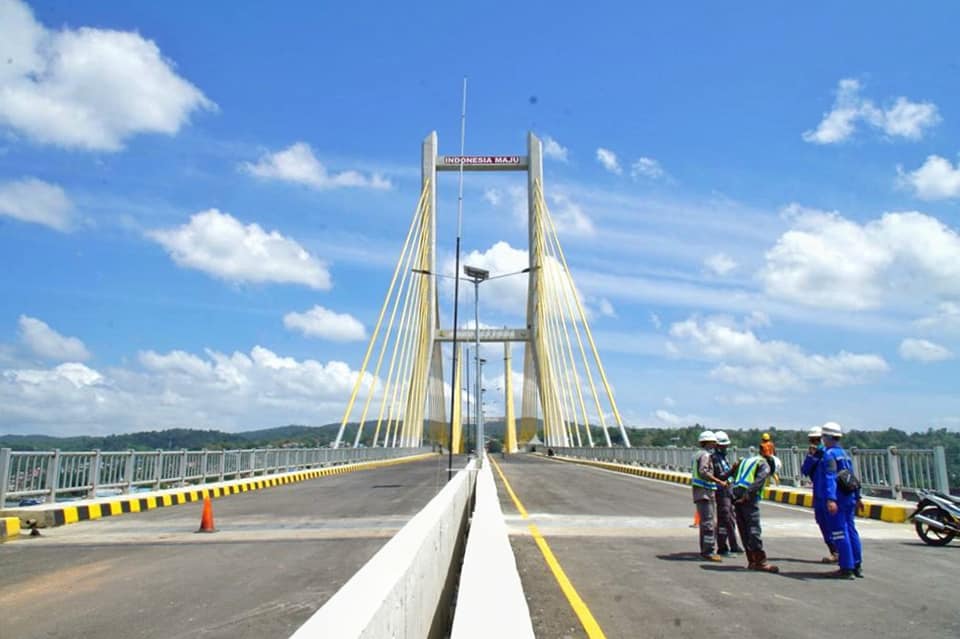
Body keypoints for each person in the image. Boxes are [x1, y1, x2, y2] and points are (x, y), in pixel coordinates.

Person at [812, 421, 863, 579]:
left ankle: (846, 568)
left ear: (827, 437)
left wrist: (831, 499)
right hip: (849, 497)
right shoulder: (844, 454)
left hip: (839, 499)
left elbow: (830, 478)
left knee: (840, 533)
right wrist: (858, 496)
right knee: (851, 530)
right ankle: (856, 565)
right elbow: (852, 477)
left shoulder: (829, 455)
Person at [731, 451, 779, 572]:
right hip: (747, 495)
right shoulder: (764, 464)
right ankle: (760, 561)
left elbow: (733, 476)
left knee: (743, 528)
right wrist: (747, 495)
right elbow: (759, 480)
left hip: (735, 492)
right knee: (753, 527)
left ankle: (751, 560)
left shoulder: (747, 460)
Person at [801, 425, 838, 563]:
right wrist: (811, 457)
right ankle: (833, 550)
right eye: (812, 440)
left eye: (816, 439)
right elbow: (805, 470)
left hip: (830, 494)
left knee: (834, 523)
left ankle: (840, 552)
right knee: (822, 522)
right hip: (818, 494)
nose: (814, 443)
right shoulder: (813, 455)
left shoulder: (830, 454)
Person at [691, 430, 725, 562]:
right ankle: (708, 552)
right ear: (708, 443)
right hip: (704, 492)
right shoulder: (705, 455)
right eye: (713, 442)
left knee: (706, 522)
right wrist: (718, 481)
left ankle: (705, 550)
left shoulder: (697, 454)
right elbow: (703, 472)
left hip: (701, 492)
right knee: (709, 523)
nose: (715, 445)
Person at [711, 431, 742, 556]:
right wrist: (733, 469)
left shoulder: (724, 457)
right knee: (725, 519)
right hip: (721, 492)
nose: (725, 448)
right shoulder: (715, 458)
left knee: (730, 519)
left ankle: (732, 545)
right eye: (723, 446)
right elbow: (721, 476)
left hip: (729, 490)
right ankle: (723, 547)